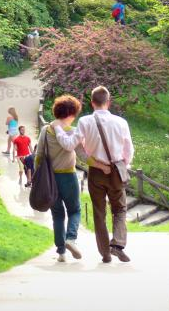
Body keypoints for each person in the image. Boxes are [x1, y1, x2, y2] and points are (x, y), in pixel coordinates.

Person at [51, 86, 134, 263]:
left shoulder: (85, 122)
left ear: (92, 103)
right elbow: (129, 150)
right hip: (117, 170)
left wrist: (58, 128)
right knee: (119, 209)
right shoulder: (121, 122)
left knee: (99, 212)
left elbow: (70, 145)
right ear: (108, 102)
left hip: (96, 171)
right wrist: (122, 165)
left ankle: (105, 253)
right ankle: (117, 244)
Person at [35, 95, 87, 263]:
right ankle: (71, 238)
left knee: (57, 214)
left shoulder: (46, 130)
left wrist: (37, 176)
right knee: (75, 210)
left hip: (50, 180)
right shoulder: (73, 131)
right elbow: (82, 155)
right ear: (71, 113)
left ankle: (61, 252)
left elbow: (39, 155)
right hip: (69, 176)